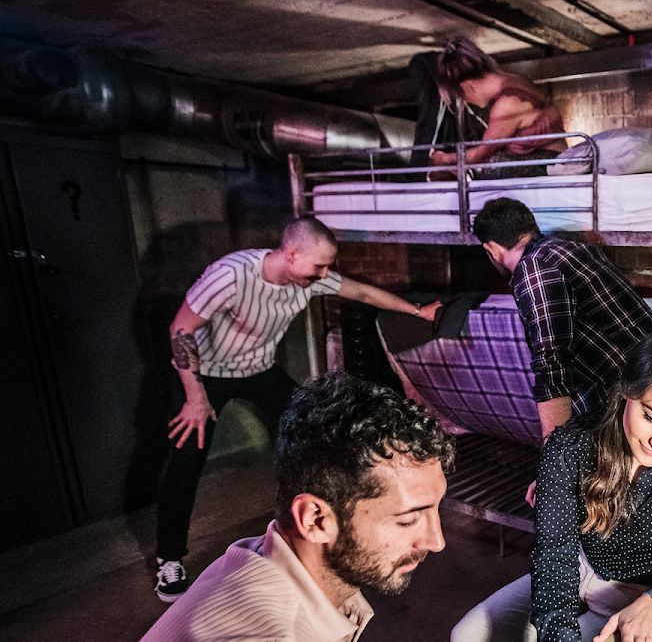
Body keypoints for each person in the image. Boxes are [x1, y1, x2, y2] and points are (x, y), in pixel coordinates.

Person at [153, 217, 442, 602]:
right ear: (290, 254)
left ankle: (319, 531)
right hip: (205, 374)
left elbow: (362, 292)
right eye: (319, 266)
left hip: (259, 370)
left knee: (317, 437)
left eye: (327, 268)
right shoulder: (231, 275)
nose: (324, 275)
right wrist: (194, 396)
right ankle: (169, 560)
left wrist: (418, 311)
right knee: (186, 459)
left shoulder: (308, 278)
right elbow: (181, 329)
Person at [451, 324, 652, 642]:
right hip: (575, 569)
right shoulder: (572, 445)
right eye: (651, 417)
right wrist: (559, 633)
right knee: (465, 637)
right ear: (627, 391)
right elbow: (554, 556)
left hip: (637, 596)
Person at [141, 372, 454, 642]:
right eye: (408, 519)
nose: (436, 541)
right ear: (314, 519)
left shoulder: (256, 557)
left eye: (435, 509)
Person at [472, 197, 652, 442]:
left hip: (630, 401)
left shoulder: (534, 267)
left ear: (492, 250)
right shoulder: (570, 248)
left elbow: (551, 361)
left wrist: (554, 450)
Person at [427, 37, 566, 179]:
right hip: (551, 160)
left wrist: (444, 158)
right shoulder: (515, 80)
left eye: (462, 97)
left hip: (550, 164)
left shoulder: (508, 103)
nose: (467, 102)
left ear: (467, 87)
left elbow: (480, 155)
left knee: (494, 165)